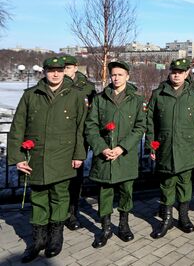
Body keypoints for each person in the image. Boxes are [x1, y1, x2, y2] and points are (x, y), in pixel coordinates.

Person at [8, 57, 87, 262]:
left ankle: (55, 238)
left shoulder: (75, 96)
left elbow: (81, 128)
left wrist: (79, 154)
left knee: (60, 196)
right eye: (51, 70)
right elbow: (17, 128)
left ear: (64, 72)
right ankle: (38, 240)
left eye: (59, 70)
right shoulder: (30, 95)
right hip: (37, 157)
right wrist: (17, 157)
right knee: (38, 197)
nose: (55, 74)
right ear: (44, 71)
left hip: (63, 156)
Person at [85, 61, 146, 248]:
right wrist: (102, 147)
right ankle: (105, 229)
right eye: (113, 75)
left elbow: (140, 126)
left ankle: (123, 225)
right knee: (105, 192)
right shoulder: (100, 98)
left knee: (126, 192)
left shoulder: (135, 99)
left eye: (120, 74)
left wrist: (122, 148)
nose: (116, 78)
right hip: (104, 155)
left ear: (127, 76)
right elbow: (91, 126)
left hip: (125, 156)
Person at [146, 58, 194, 238]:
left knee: (184, 183)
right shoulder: (159, 94)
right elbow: (150, 121)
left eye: (181, 72)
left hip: (186, 146)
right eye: (174, 72)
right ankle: (167, 219)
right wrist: (153, 146)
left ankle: (184, 217)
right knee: (166, 184)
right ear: (169, 73)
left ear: (187, 73)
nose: (177, 75)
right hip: (165, 145)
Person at [61, 55, 96, 231]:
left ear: (76, 67)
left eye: (68, 67)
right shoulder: (57, 84)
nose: (64, 70)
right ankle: (59, 213)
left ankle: (72, 213)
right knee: (59, 179)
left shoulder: (88, 88)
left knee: (76, 179)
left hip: (79, 139)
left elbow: (94, 113)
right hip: (59, 139)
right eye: (63, 67)